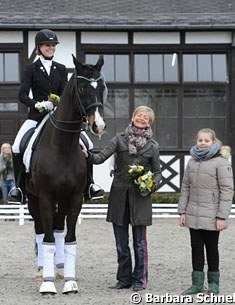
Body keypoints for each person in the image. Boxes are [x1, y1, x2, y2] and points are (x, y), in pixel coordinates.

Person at [8, 28, 103, 203]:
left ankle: (90, 184)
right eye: (47, 45)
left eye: (53, 45)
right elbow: (22, 95)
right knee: (17, 146)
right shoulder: (31, 68)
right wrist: (37, 104)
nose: (50, 48)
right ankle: (19, 187)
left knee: (87, 144)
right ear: (39, 47)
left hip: (59, 116)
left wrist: (58, 102)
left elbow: (66, 93)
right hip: (36, 116)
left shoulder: (60, 69)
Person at [87, 105, 161, 291]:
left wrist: (151, 184)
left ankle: (140, 280)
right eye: (139, 115)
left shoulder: (153, 146)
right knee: (121, 243)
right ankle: (124, 279)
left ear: (150, 123)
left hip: (141, 198)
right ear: (132, 117)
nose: (142, 118)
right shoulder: (119, 139)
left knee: (139, 243)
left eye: (146, 117)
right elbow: (100, 158)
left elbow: (157, 172)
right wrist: (85, 152)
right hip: (119, 195)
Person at [178, 128, 234, 295]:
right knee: (195, 248)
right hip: (193, 213)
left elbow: (227, 190)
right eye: (200, 140)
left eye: (206, 141)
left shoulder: (222, 162)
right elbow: (185, 188)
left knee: (211, 248)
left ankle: (213, 283)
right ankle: (196, 284)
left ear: (213, 142)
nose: (202, 143)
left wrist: (222, 216)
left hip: (212, 215)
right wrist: (182, 212)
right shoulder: (192, 162)